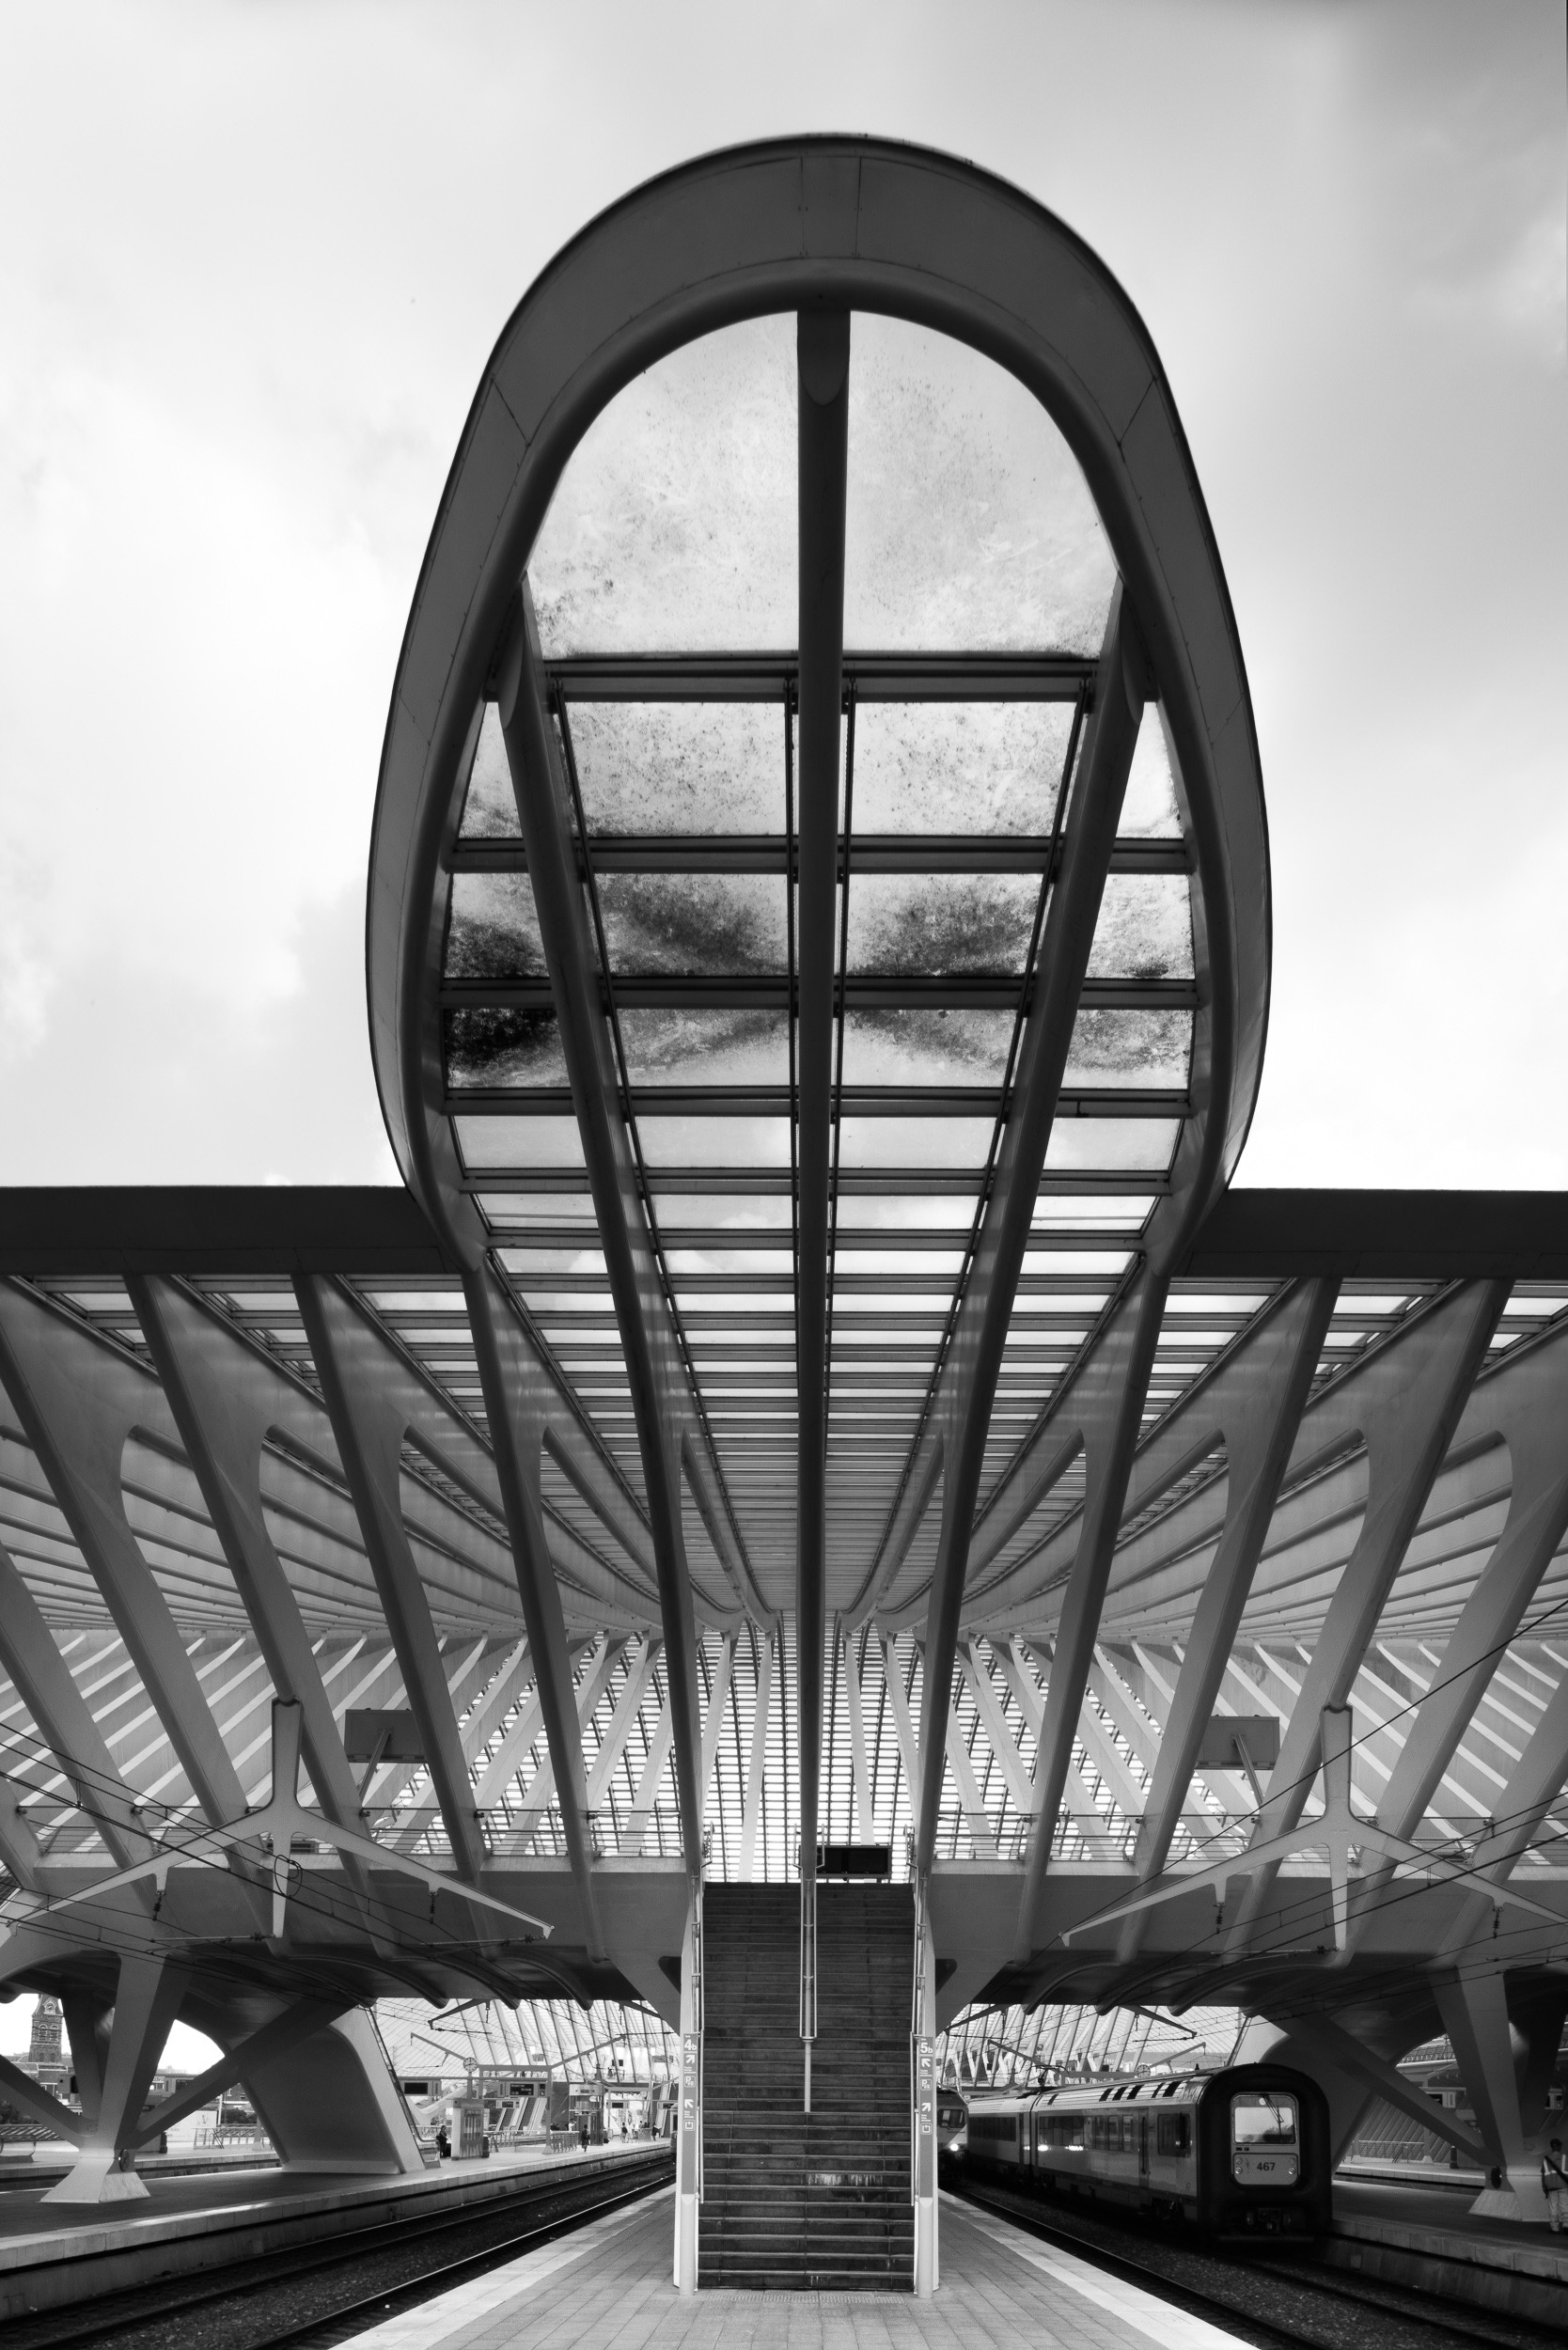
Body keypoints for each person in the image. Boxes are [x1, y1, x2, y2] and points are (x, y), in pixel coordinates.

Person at [1543, 2138, 1568, 2232]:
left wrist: (1544, 2187)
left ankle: (1554, 2228)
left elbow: (1544, 2174)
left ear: (1551, 2147)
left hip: (1552, 2186)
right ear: (1560, 2146)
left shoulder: (1546, 2160)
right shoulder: (1566, 2158)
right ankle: (1566, 2226)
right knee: (1565, 2206)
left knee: (1553, 2207)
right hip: (1564, 2185)